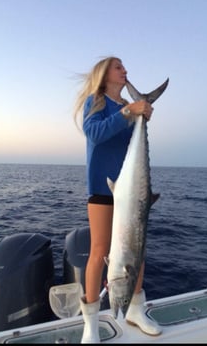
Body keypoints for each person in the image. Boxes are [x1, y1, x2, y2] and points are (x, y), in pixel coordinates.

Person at [73, 56, 162, 343]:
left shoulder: (129, 107)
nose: (125, 71)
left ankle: (136, 309)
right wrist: (128, 113)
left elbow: (131, 146)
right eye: (119, 67)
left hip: (132, 188)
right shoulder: (95, 102)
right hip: (103, 186)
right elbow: (95, 134)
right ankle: (91, 324)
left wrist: (140, 117)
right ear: (104, 74)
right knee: (99, 251)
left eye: (125, 67)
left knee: (137, 250)